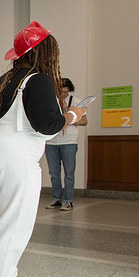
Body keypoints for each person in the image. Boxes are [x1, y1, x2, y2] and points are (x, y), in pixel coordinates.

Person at [0, 21, 87, 277]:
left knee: (0, 220)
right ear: (45, 52)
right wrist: (73, 115)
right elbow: (46, 125)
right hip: (16, 158)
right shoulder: (39, 80)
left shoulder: (5, 79)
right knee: (14, 224)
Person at [44, 78, 87, 211]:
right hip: (51, 142)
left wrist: (68, 119)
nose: (63, 95)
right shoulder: (49, 101)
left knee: (69, 173)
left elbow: (84, 121)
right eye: (61, 92)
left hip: (69, 142)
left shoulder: (75, 102)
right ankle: (56, 199)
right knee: (54, 173)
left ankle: (68, 201)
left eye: (66, 92)